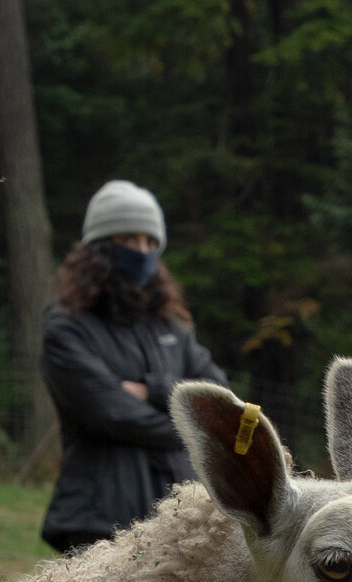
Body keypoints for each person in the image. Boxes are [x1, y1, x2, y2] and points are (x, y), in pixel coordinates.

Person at [38, 180, 229, 554]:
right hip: (99, 521)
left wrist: (152, 390)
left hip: (181, 519)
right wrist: (196, 428)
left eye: (151, 242)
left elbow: (218, 394)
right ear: (99, 247)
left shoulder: (170, 324)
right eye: (129, 240)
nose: (142, 252)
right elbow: (113, 413)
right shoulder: (66, 326)